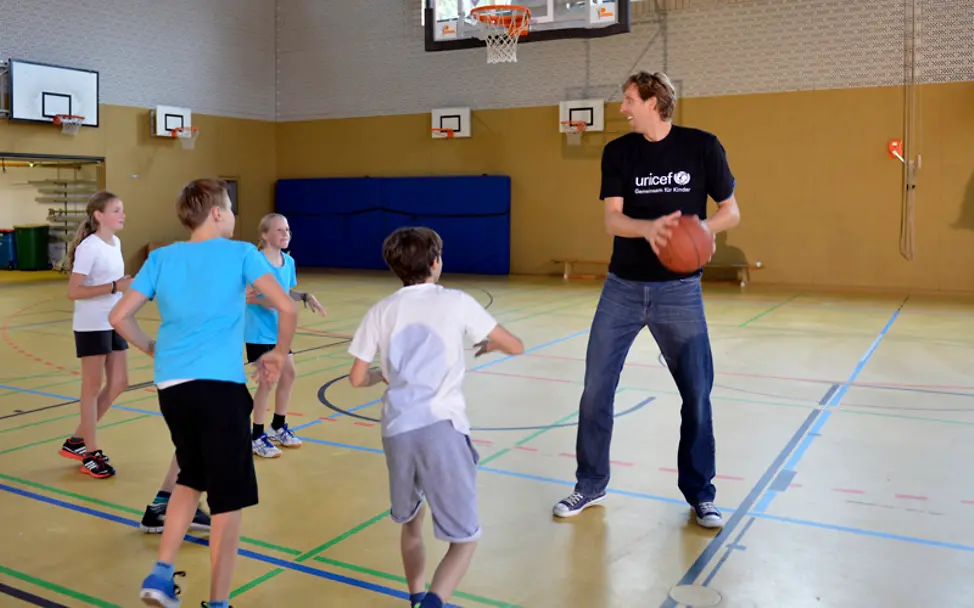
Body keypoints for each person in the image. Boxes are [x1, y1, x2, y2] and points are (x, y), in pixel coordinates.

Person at [551, 71, 741, 529]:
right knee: (596, 390)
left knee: (697, 394)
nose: (622, 109)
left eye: (629, 100)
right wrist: (650, 229)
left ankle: (701, 495)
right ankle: (590, 484)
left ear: (653, 102)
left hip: (680, 292)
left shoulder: (702, 146)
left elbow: (730, 211)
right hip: (622, 288)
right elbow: (613, 220)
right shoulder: (619, 151)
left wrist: (698, 232)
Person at [109, 178, 297, 608]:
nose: (233, 216)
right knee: (228, 501)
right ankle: (218, 602)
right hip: (220, 388)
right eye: (229, 208)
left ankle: (161, 573)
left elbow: (119, 316)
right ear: (216, 213)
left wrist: (152, 347)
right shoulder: (241, 253)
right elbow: (285, 305)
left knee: (191, 476)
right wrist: (278, 353)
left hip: (172, 387)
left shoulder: (162, 258)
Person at [347, 227, 524, 608]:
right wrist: (493, 345)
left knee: (412, 522)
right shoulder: (456, 301)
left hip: (397, 431)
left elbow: (357, 378)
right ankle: (432, 602)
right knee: (465, 539)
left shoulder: (381, 310)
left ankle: (415, 597)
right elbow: (515, 345)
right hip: (441, 428)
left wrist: (382, 376)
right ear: (435, 262)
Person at [59, 191, 131, 479]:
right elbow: (73, 291)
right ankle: (90, 452)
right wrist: (114, 287)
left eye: (122, 210)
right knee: (92, 387)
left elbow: (116, 284)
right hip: (92, 323)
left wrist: (125, 290)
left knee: (120, 382)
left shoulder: (116, 243)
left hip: (114, 320)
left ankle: (77, 440)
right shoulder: (89, 247)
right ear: (99, 215)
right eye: (116, 210)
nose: (122, 215)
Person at [245, 213, 326, 459]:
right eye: (279, 230)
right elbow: (245, 296)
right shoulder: (255, 262)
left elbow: (285, 292)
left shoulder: (288, 262)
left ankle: (278, 426)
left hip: (279, 331)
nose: (285, 234)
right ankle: (256, 436)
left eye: (287, 230)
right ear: (264, 234)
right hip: (258, 333)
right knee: (268, 381)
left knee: (289, 375)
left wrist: (305, 296)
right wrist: (266, 300)